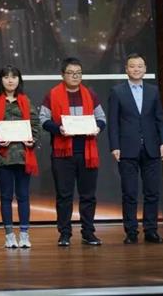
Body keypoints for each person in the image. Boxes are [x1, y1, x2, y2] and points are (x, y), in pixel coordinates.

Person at [39, 57, 107, 247]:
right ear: (63, 75)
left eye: (78, 73)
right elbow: (43, 119)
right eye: (71, 73)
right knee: (64, 196)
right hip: (62, 154)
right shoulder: (52, 95)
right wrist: (58, 128)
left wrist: (98, 128)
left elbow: (101, 118)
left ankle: (88, 233)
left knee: (88, 196)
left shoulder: (90, 94)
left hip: (87, 152)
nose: (75, 76)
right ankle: (64, 234)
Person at [108, 53, 163, 244]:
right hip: (127, 149)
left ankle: (151, 230)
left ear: (145, 69)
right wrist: (115, 146)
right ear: (126, 69)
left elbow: (160, 118)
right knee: (130, 192)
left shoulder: (153, 91)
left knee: (152, 192)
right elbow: (113, 122)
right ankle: (131, 232)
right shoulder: (117, 91)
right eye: (132, 66)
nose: (136, 69)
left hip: (152, 147)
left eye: (140, 66)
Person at [0, 65, 40, 249]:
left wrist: (32, 139)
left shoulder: (25, 101)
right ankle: (9, 235)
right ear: (1, 80)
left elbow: (35, 124)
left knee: (23, 195)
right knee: (6, 196)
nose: (10, 80)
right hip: (2, 156)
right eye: (6, 77)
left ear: (19, 80)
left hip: (23, 156)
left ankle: (24, 234)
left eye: (14, 77)